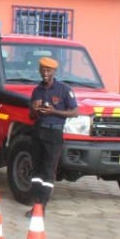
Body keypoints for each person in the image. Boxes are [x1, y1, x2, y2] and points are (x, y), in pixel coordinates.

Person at [28, 55, 78, 217]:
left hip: (54, 133)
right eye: (43, 70)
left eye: (48, 70)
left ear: (54, 71)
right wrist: (34, 109)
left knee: (48, 170)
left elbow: (74, 112)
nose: (45, 73)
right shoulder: (37, 90)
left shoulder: (64, 89)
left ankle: (42, 206)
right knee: (36, 169)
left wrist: (53, 111)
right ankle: (36, 204)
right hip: (38, 132)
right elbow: (31, 116)